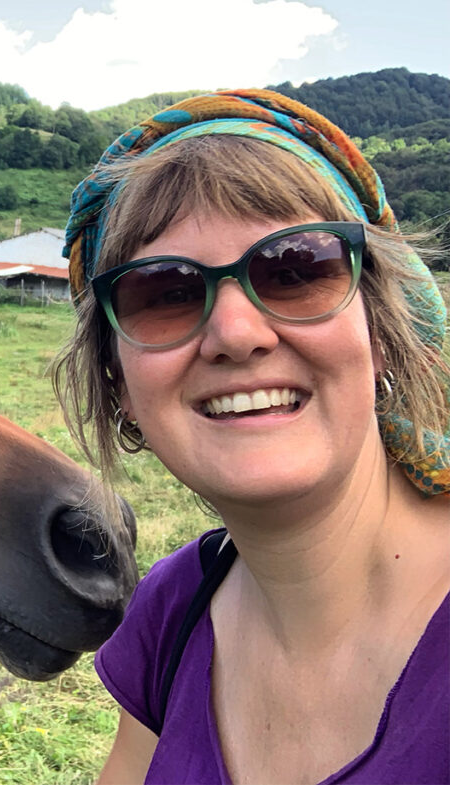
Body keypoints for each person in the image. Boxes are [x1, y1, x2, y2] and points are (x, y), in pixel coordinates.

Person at [55, 89, 449, 784]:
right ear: (119, 387)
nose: (236, 334)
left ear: (383, 333)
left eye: (295, 270)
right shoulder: (171, 611)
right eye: (166, 290)